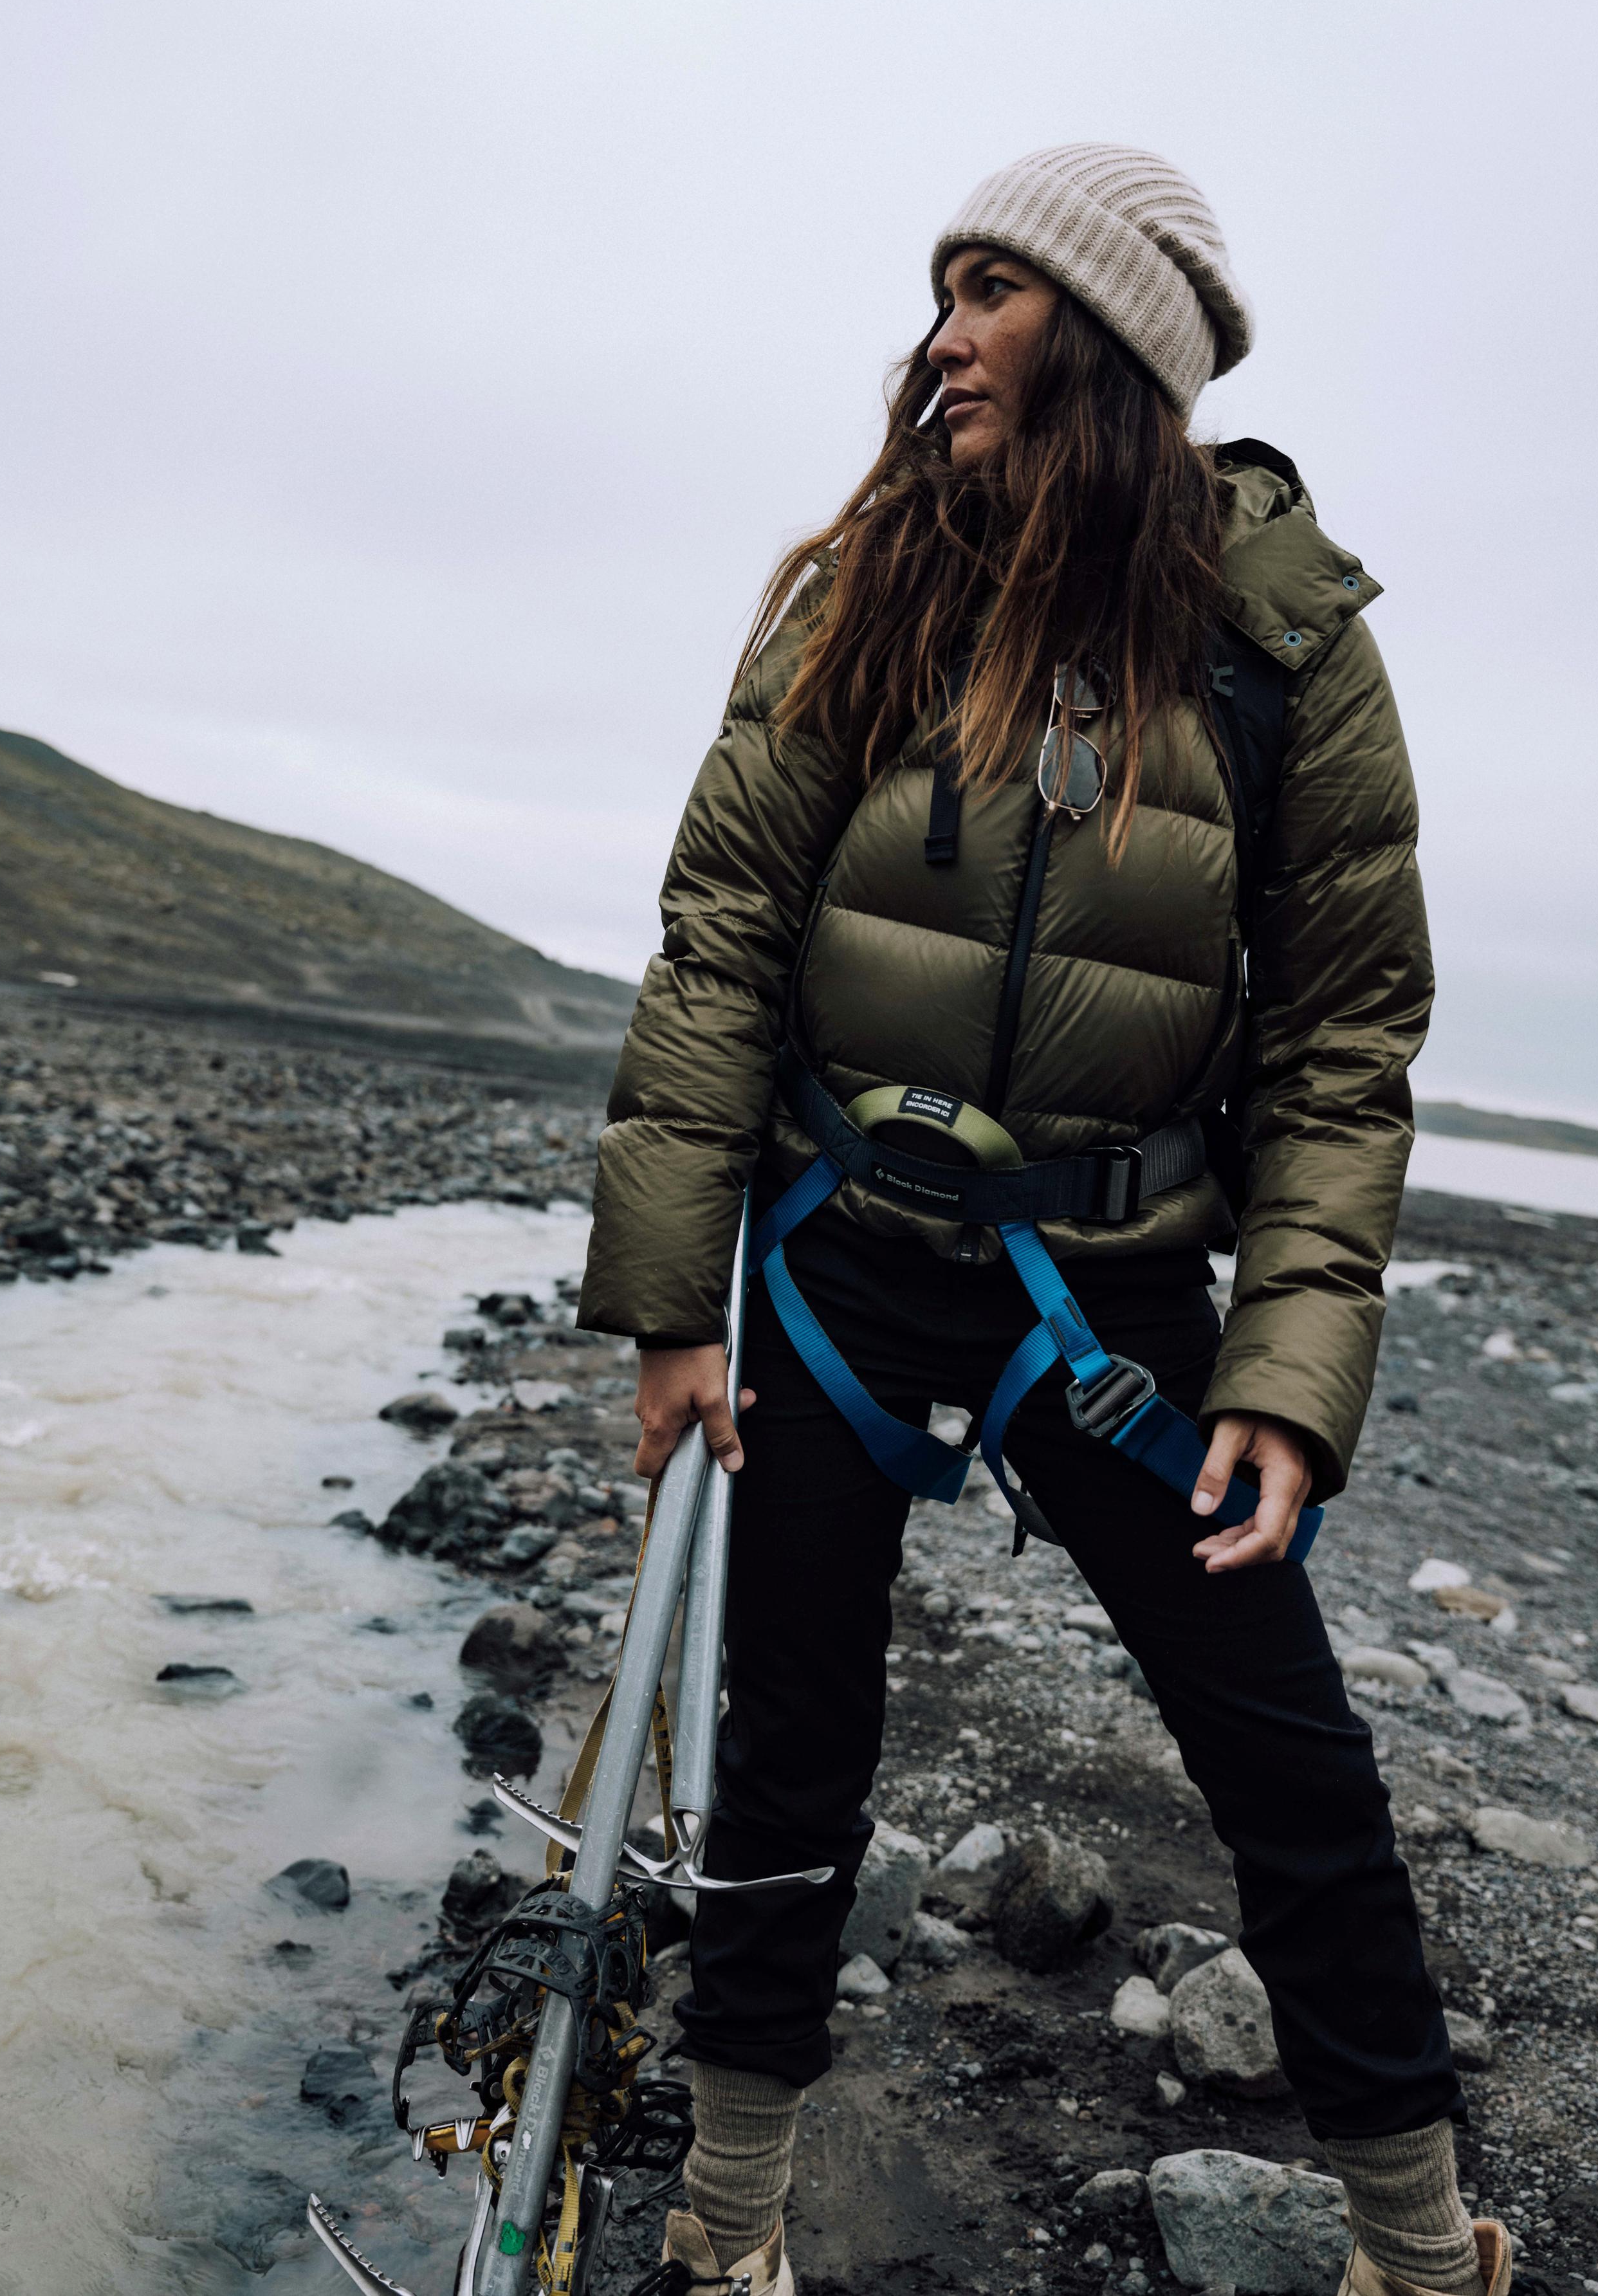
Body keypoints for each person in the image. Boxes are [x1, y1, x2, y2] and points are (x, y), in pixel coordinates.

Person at [578, 145, 1505, 2296]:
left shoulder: (1287, 649)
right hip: (826, 1257)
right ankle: (728, 2238)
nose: (944, 336)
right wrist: (668, 1307)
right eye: (944, 293)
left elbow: (1347, 1035)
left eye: (993, 293)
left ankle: (1417, 2252)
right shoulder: (865, 589)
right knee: (789, 1750)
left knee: (1287, 1744)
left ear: (1107, 343)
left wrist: (1290, 1371)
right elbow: (718, 934)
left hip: (1106, 1290)